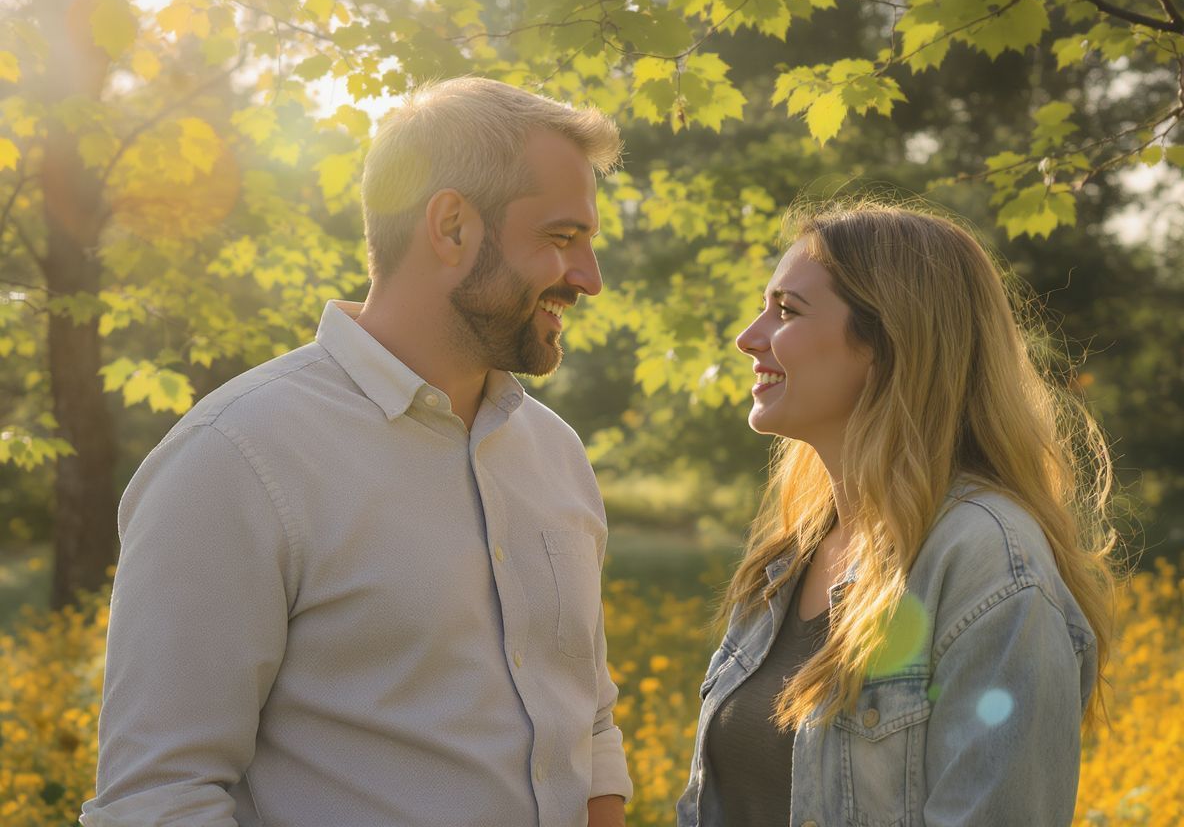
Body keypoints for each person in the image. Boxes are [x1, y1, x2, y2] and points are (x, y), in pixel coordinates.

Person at [81, 77, 632, 827]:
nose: (588, 279)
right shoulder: (235, 459)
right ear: (452, 227)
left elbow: (588, 724)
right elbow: (158, 799)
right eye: (562, 239)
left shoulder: (556, 453)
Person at [676, 201, 1118, 827]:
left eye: (786, 311)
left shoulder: (988, 561)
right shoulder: (789, 555)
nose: (749, 337)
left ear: (889, 343)